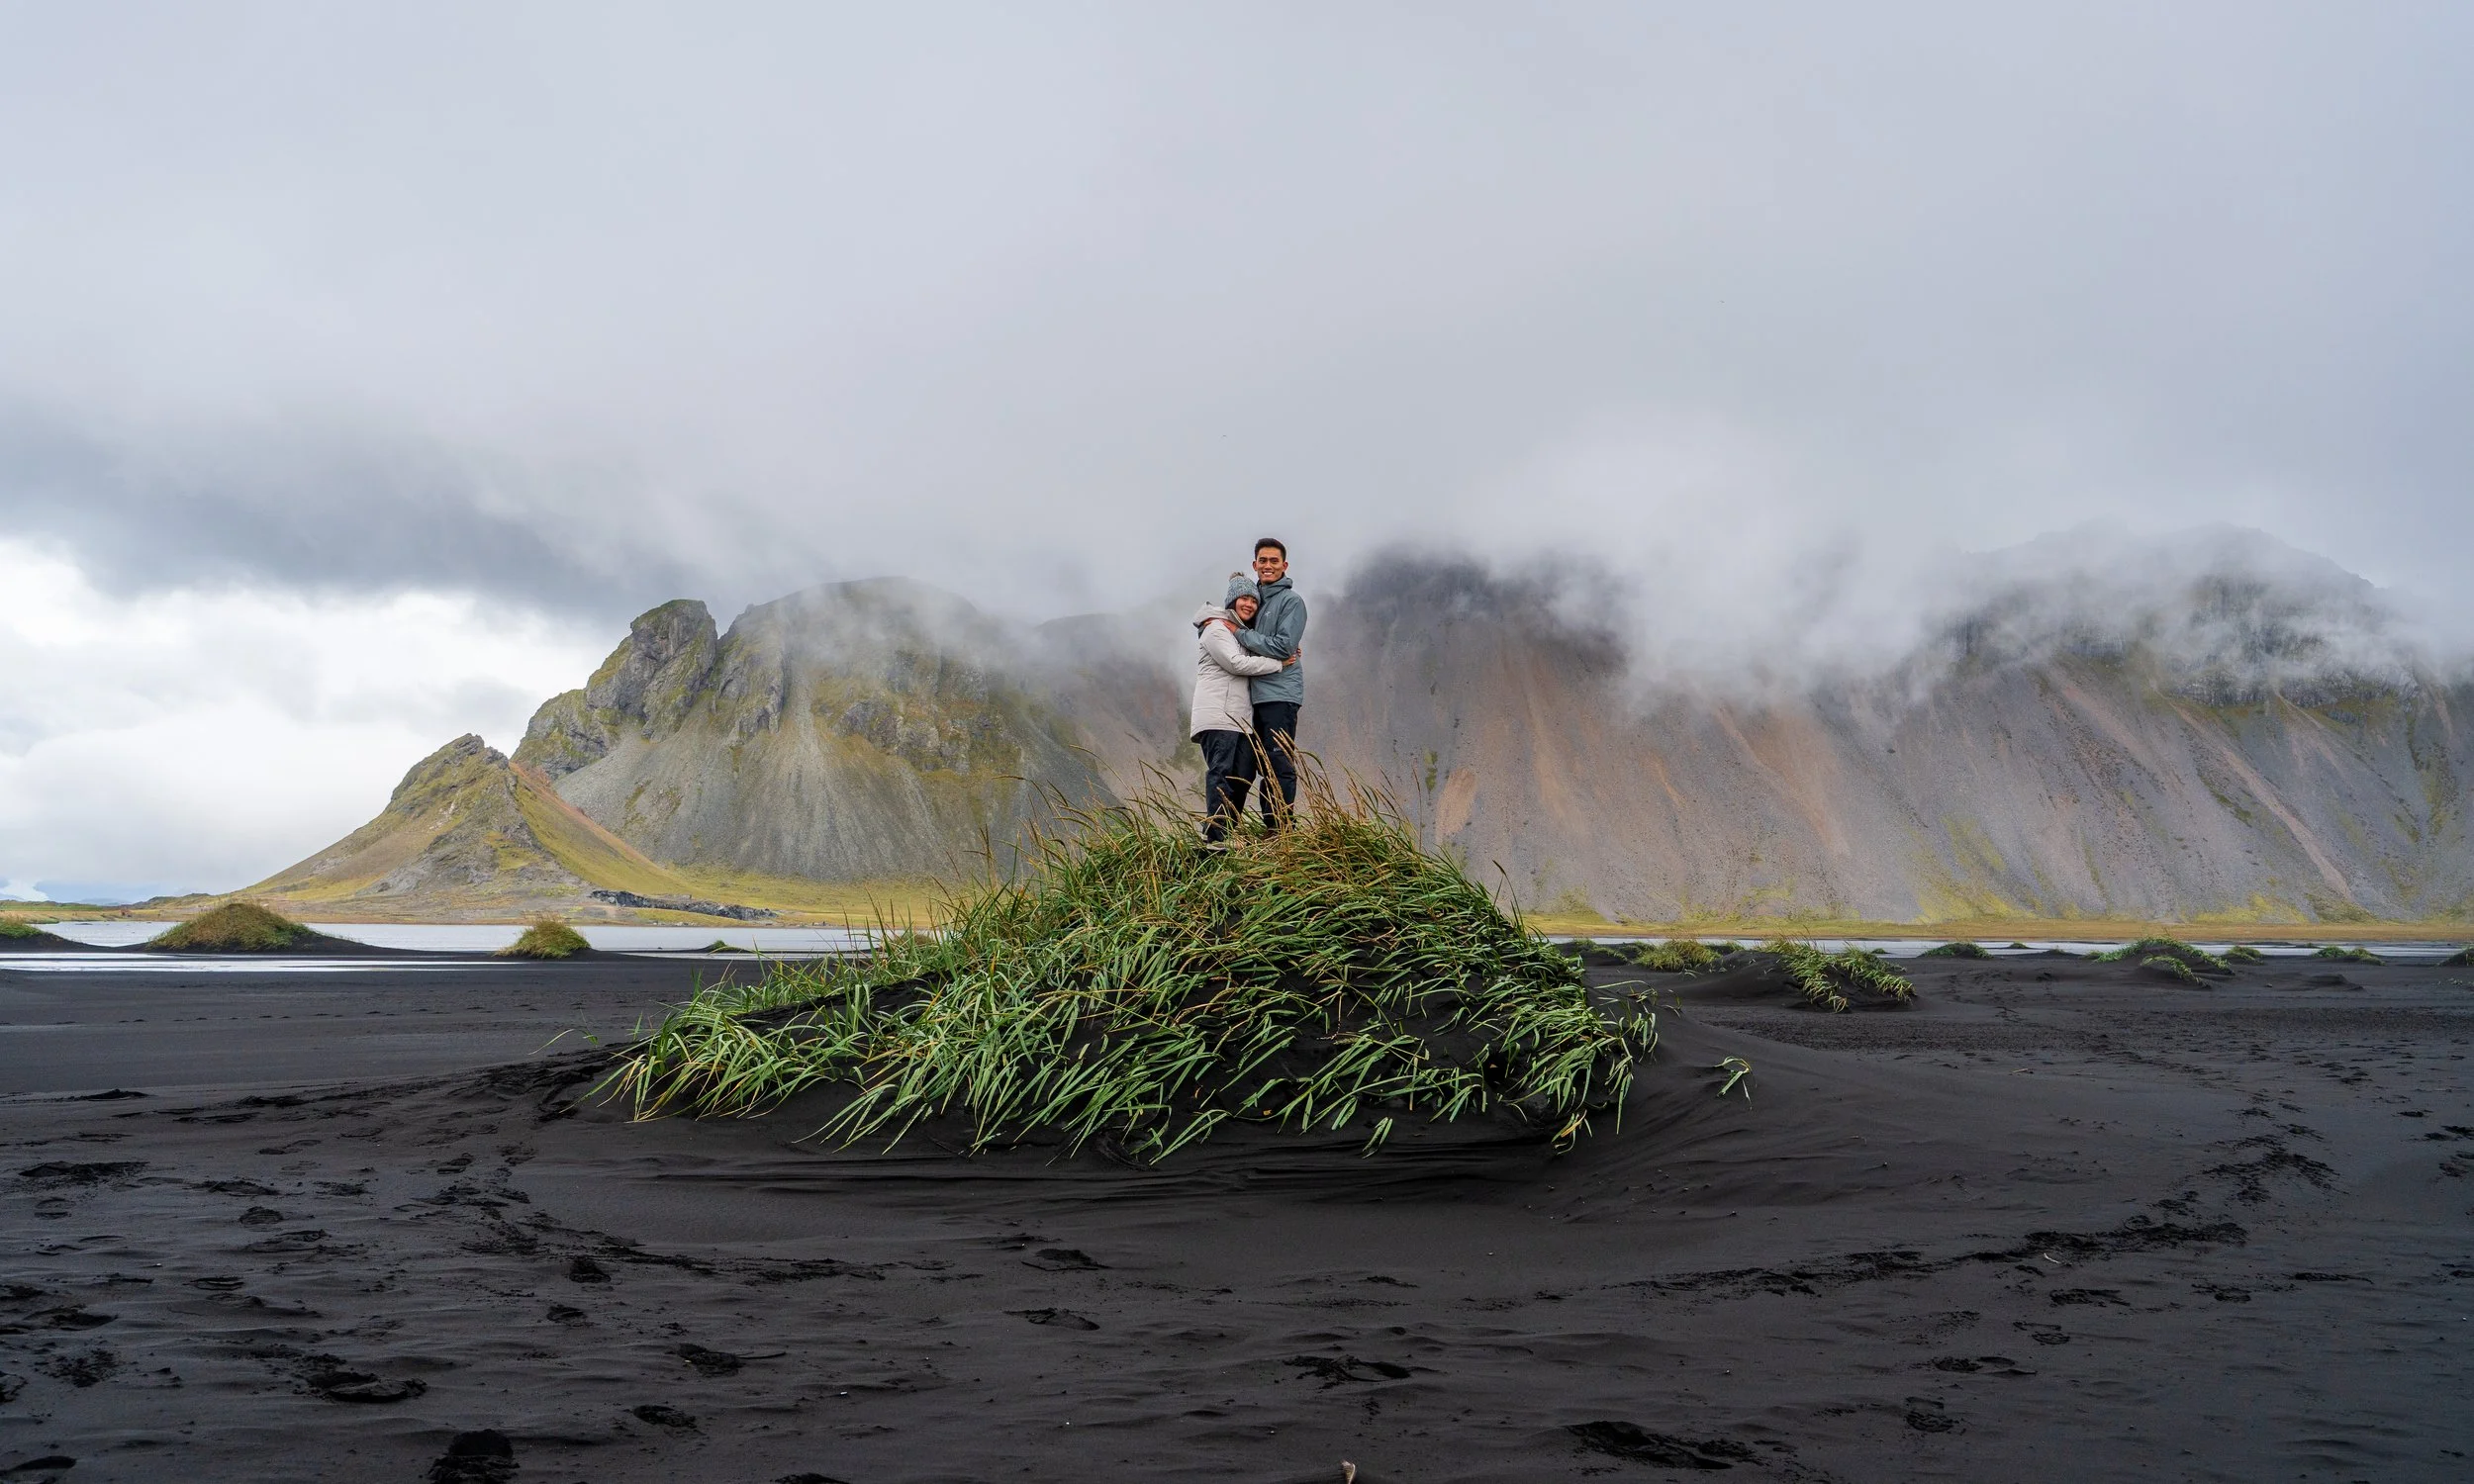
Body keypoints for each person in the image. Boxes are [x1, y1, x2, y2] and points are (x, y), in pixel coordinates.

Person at [1189, 573, 1289, 844]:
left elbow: (1252, 654)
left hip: (1237, 719)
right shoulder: (1216, 629)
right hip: (1218, 715)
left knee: (1243, 774)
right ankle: (1216, 836)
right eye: (1244, 598)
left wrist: (1282, 650)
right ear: (1232, 600)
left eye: (1254, 601)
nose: (1249, 604)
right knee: (1221, 771)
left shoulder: (1236, 632)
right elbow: (1236, 664)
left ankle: (1225, 829)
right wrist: (1279, 664)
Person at [1234, 537, 1306, 827]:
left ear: (1284, 565)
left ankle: (1280, 829)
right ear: (1254, 565)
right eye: (1262, 560)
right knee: (1246, 765)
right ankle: (1224, 831)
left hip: (1279, 694)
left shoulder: (1292, 601)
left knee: (1278, 763)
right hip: (1250, 696)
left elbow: (1284, 646)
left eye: (1274, 561)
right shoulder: (1252, 601)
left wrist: (1242, 635)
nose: (1268, 566)